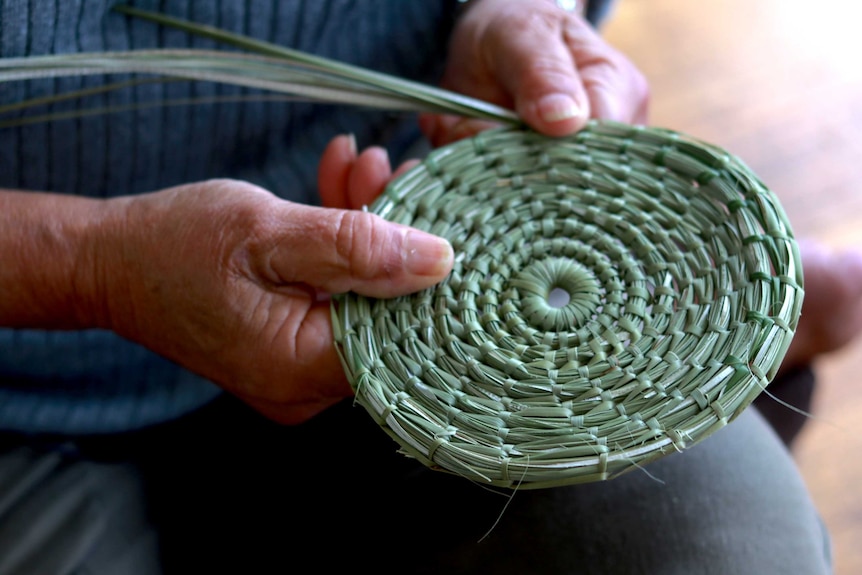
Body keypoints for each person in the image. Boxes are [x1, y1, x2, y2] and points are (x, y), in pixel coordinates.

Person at [0, 0, 855, 572]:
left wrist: (518, 12)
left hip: (427, 244)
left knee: (730, 551)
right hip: (26, 383)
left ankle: (730, 324)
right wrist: (93, 266)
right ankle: (741, 327)